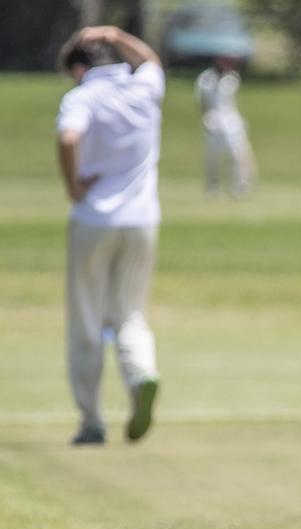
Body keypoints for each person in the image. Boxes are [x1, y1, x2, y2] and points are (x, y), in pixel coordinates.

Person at [56, 25, 164, 446]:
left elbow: (68, 136)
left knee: (85, 320)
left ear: (80, 69)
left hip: (93, 221)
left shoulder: (82, 96)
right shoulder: (143, 90)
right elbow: (151, 60)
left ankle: (91, 420)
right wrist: (115, 33)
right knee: (130, 314)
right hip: (143, 221)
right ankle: (142, 376)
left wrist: (73, 186)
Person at [195, 55, 256, 197]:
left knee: (236, 154)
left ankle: (237, 186)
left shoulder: (232, 79)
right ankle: (212, 187)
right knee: (212, 156)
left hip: (231, 121)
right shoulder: (205, 79)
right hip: (212, 121)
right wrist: (205, 119)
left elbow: (234, 101)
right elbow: (201, 102)